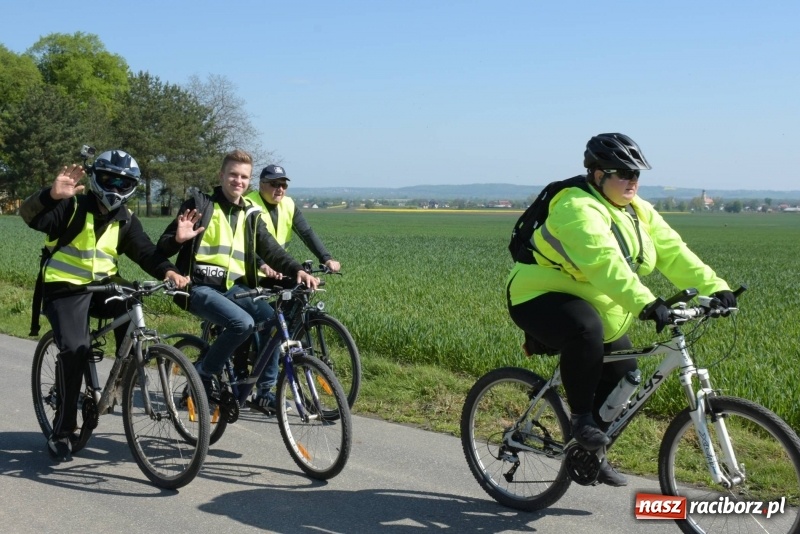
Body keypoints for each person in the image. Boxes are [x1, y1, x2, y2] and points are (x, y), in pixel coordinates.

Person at [506, 133, 737, 487]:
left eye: (636, 175)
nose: (633, 181)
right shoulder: (575, 207)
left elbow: (672, 251)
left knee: (625, 375)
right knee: (584, 329)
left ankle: (589, 454)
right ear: (598, 175)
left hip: (594, 298)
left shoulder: (636, 209)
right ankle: (581, 421)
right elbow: (604, 263)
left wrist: (715, 287)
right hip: (538, 292)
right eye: (624, 173)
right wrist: (646, 303)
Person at [20, 150, 190, 462]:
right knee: (76, 348)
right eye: (109, 178)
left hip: (103, 286)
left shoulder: (126, 218)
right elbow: (32, 217)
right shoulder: (71, 206)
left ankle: (120, 381)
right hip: (64, 288)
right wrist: (51, 195)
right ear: (96, 178)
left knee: (132, 305)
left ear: (132, 186)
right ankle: (63, 429)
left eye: (122, 181)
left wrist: (169, 270)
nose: (115, 185)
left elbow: (146, 252)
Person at [157, 149, 319, 416]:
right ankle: (203, 373)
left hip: (233, 288)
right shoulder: (200, 205)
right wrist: (178, 239)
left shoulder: (250, 213)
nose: (238, 181)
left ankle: (265, 392)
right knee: (242, 324)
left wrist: (297, 270)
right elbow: (161, 249)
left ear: (249, 180)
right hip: (198, 287)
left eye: (244, 177)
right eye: (233, 174)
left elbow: (271, 250)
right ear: (221, 175)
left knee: (273, 324)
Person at [245, 164, 341, 273]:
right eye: (275, 184)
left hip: (279, 268)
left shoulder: (288, 204)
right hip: (252, 272)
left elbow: (306, 233)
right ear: (261, 185)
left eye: (283, 185)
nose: (280, 189)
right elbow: (243, 244)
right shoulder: (248, 204)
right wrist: (261, 264)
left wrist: (326, 259)